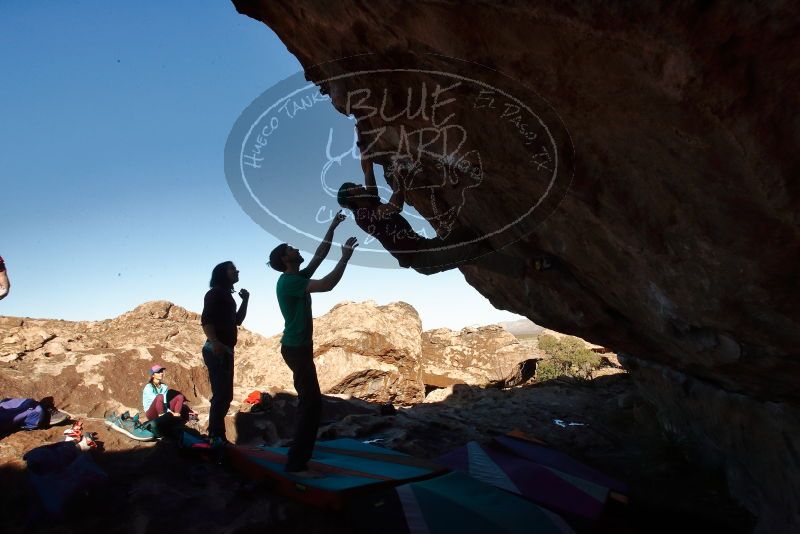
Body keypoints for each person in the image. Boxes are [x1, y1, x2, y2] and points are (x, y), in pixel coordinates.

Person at [337, 136, 552, 275]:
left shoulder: (369, 199)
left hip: (427, 245)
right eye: (354, 188)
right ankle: (526, 268)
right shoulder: (364, 215)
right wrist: (400, 181)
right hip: (420, 258)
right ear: (352, 198)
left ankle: (506, 255)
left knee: (468, 233)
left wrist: (361, 143)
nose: (359, 185)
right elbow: (394, 208)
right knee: (471, 251)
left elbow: (367, 170)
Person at [268, 212, 357, 476]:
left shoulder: (296, 277)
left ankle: (299, 456)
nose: (296, 248)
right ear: (285, 258)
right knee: (311, 403)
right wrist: (344, 258)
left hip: (299, 348)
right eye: (291, 248)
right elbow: (328, 284)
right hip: (295, 349)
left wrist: (333, 225)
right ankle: (296, 464)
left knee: (311, 402)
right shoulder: (290, 282)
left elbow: (319, 254)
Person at [201, 261, 249, 447]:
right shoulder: (214, 293)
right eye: (232, 268)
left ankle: (217, 435)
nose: (237, 271)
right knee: (221, 394)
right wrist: (214, 342)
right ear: (222, 273)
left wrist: (245, 300)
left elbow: (237, 320)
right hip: (217, 349)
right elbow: (206, 320)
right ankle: (215, 436)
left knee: (225, 395)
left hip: (225, 349)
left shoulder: (227, 297)